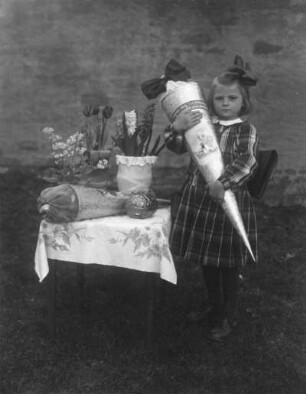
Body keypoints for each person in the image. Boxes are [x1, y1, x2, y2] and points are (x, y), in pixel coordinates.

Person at [164, 56, 258, 341]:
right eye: (220, 98)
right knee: (208, 260)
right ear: (210, 101)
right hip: (201, 204)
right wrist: (177, 127)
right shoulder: (203, 124)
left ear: (243, 101)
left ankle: (225, 314)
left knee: (227, 264)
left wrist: (224, 182)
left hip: (228, 205)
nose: (226, 103)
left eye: (232, 98)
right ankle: (213, 304)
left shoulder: (245, 130)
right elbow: (178, 147)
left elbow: (248, 162)